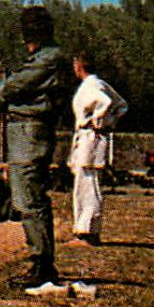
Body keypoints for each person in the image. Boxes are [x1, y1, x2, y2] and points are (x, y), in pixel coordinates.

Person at [0, 5, 73, 291]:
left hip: (30, 132)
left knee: (29, 198)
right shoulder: (46, 57)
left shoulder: (47, 59)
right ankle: (40, 262)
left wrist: (5, 85)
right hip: (25, 131)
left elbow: (7, 89)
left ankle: (42, 265)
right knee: (27, 198)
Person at [67, 53, 128, 246]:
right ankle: (85, 228)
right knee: (86, 182)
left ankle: (87, 231)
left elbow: (106, 102)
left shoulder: (91, 87)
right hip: (90, 137)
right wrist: (109, 121)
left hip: (90, 137)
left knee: (87, 183)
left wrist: (97, 120)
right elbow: (121, 106)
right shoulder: (100, 84)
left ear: (79, 66)